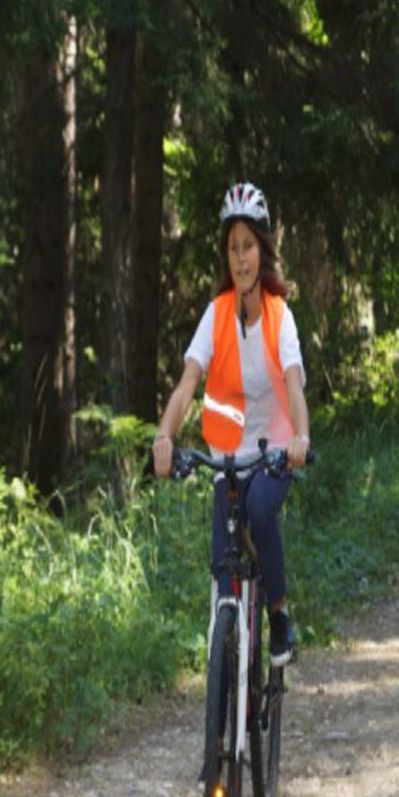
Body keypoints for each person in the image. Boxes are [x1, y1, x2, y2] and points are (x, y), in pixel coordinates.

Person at [151, 182, 310, 666]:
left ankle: (278, 615)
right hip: (227, 457)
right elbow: (187, 384)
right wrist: (164, 435)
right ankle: (224, 682)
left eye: (249, 246)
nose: (241, 258)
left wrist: (301, 437)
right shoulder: (216, 314)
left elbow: (294, 386)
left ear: (263, 251)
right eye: (233, 247)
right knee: (223, 568)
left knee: (260, 509)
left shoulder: (280, 316)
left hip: (274, 452)